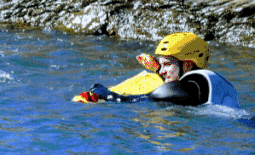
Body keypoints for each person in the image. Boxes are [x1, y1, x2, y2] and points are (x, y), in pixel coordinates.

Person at [76, 32, 240, 108]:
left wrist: (105, 93)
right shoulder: (217, 83)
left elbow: (139, 100)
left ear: (188, 66)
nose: (161, 71)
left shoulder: (183, 89)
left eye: (167, 65)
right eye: (160, 66)